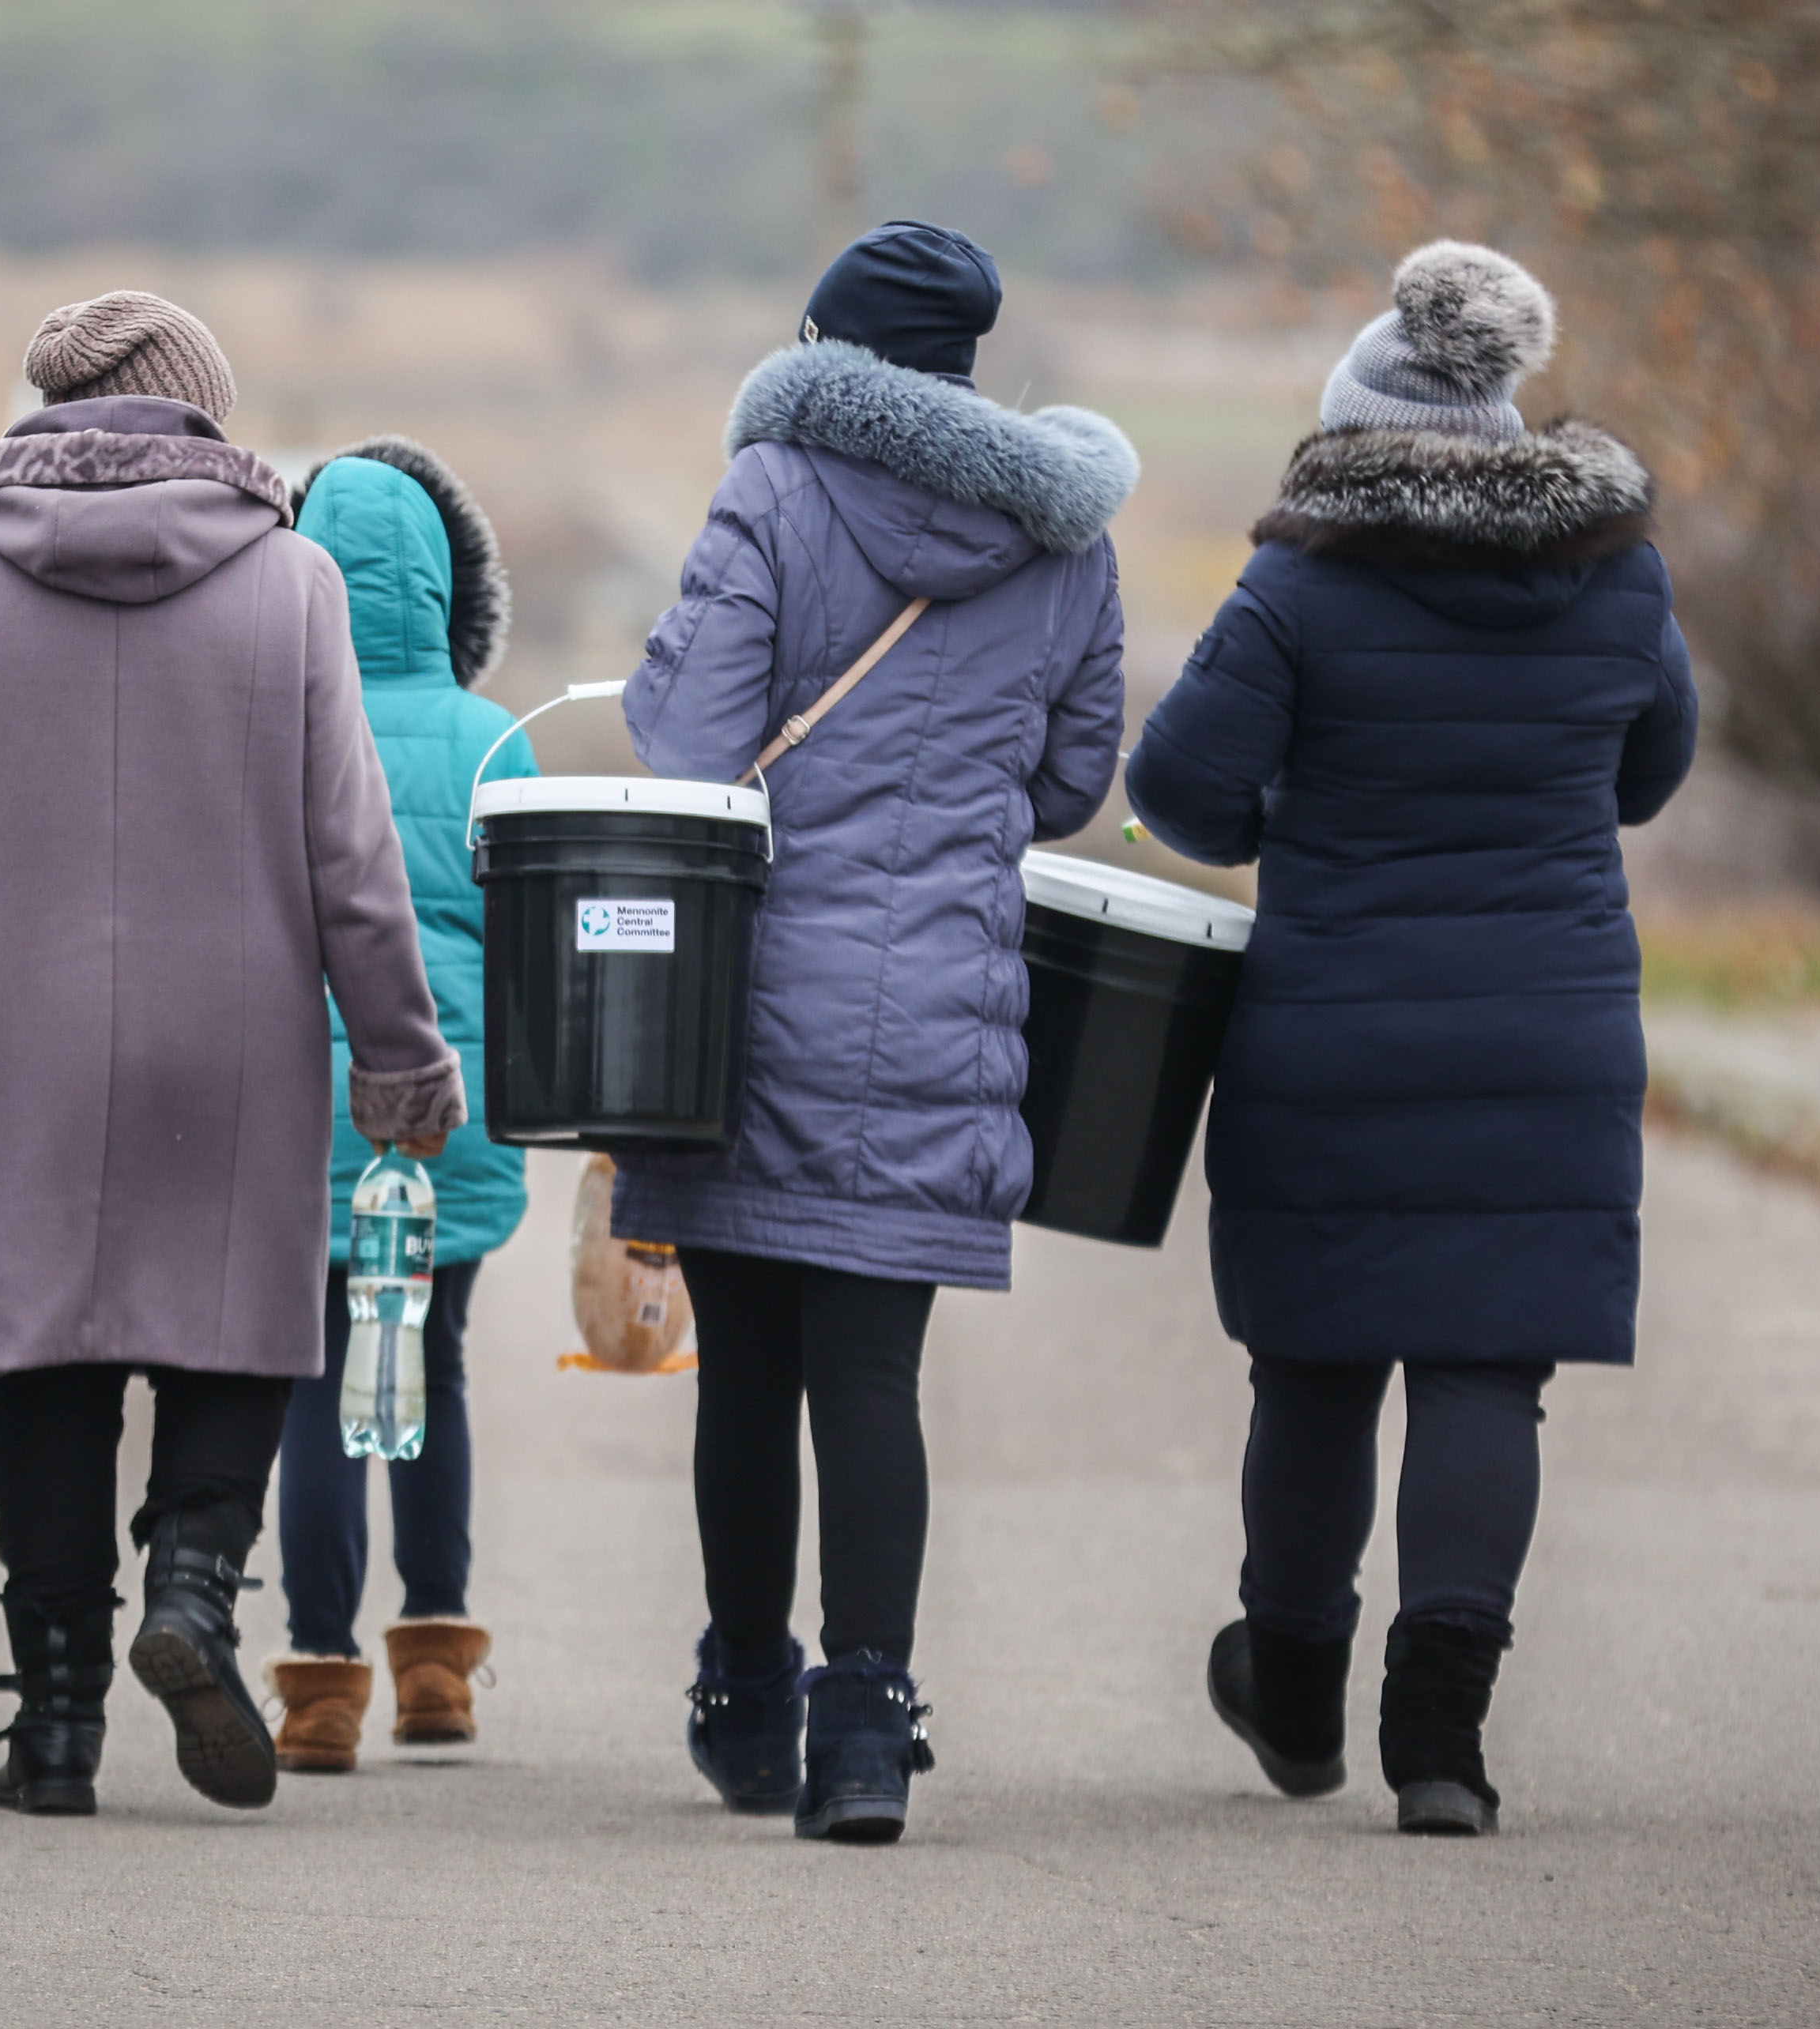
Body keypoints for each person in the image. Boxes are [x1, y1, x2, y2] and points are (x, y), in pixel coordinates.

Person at [0, 292, 463, 1817]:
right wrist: (403, 1059)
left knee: (48, 1363)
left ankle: (58, 1726)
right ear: (200, 412)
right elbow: (351, 852)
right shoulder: (290, 585)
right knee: (237, 1322)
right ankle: (199, 1588)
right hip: (225, 1036)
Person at [1125, 242, 1697, 1835]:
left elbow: (1176, 793)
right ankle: (1439, 1743)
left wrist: (1294, 804)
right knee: (1486, 1376)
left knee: (1313, 1368)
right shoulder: (1621, 573)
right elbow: (1647, 775)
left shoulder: (1300, 584)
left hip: (1335, 1027)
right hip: (1549, 1029)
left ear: (1353, 431)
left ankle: (1295, 1691)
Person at [618, 220, 1134, 1842]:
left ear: (829, 347)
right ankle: (866, 1725)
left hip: (750, 1008)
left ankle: (750, 1705)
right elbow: (1068, 784)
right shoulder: (1070, 545)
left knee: (745, 1379)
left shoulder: (771, 489)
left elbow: (694, 737)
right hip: (938, 1008)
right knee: (872, 1376)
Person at [264, 437, 532, 1771]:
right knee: (437, 1362)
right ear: (440, 586)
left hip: (302, 1107)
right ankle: (435, 1663)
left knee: (319, 1373)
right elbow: (540, 948)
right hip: (454, 1107)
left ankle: (320, 1685)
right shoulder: (496, 742)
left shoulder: (274, 722)